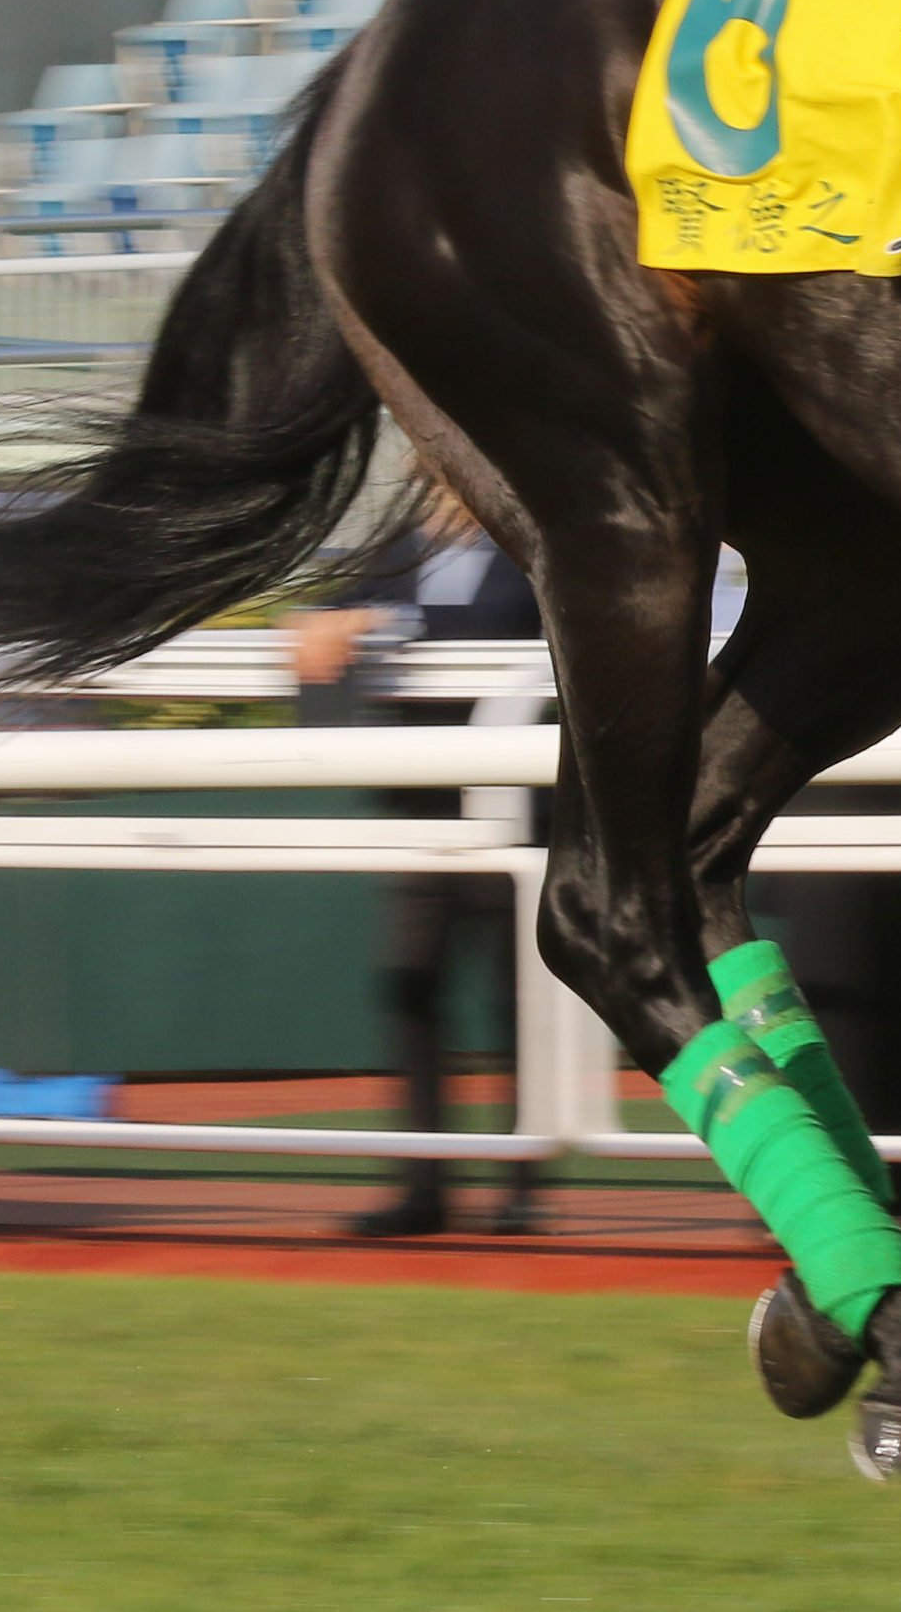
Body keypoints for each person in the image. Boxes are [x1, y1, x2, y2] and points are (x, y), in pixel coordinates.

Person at [291, 490, 544, 1239]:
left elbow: (496, 630)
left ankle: (520, 1187)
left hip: (515, 818)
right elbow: (329, 610)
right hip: (421, 819)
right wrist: (319, 620)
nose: (440, 487)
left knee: (515, 1006)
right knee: (409, 992)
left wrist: (386, 622)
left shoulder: (530, 547)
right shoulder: (395, 551)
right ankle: (422, 1184)